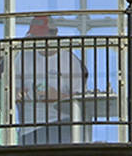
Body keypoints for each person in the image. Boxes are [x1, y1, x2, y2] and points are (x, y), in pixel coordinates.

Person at [14, 15, 87, 144]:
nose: (39, 40)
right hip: (29, 128)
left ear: (55, 33)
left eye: (41, 35)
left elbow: (81, 98)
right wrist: (18, 94)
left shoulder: (69, 61)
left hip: (60, 126)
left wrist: (57, 96)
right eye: (35, 36)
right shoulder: (22, 57)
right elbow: (12, 89)